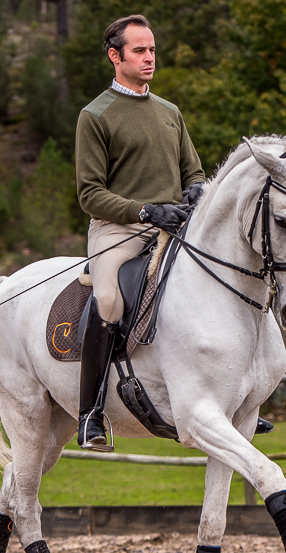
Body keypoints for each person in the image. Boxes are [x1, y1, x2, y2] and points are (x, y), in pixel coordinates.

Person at [74, 14, 206, 451]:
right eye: (139, 51)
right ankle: (90, 413)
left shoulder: (170, 112)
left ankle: (236, 399)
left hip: (174, 227)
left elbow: (195, 172)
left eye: (152, 50)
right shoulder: (95, 116)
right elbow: (90, 194)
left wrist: (194, 192)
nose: (149, 58)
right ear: (115, 56)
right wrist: (147, 210)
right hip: (120, 228)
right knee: (108, 299)